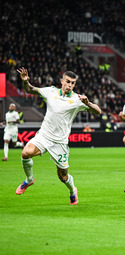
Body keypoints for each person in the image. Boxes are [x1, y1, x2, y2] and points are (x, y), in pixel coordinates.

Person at [15, 67, 101, 205]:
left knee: (62, 176)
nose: (70, 85)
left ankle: (73, 191)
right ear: (62, 81)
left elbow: (98, 112)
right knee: (26, 153)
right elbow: (30, 89)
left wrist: (88, 103)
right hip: (44, 135)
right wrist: (25, 81)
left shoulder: (77, 99)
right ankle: (29, 180)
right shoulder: (51, 91)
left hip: (60, 142)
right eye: (68, 81)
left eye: (73, 83)